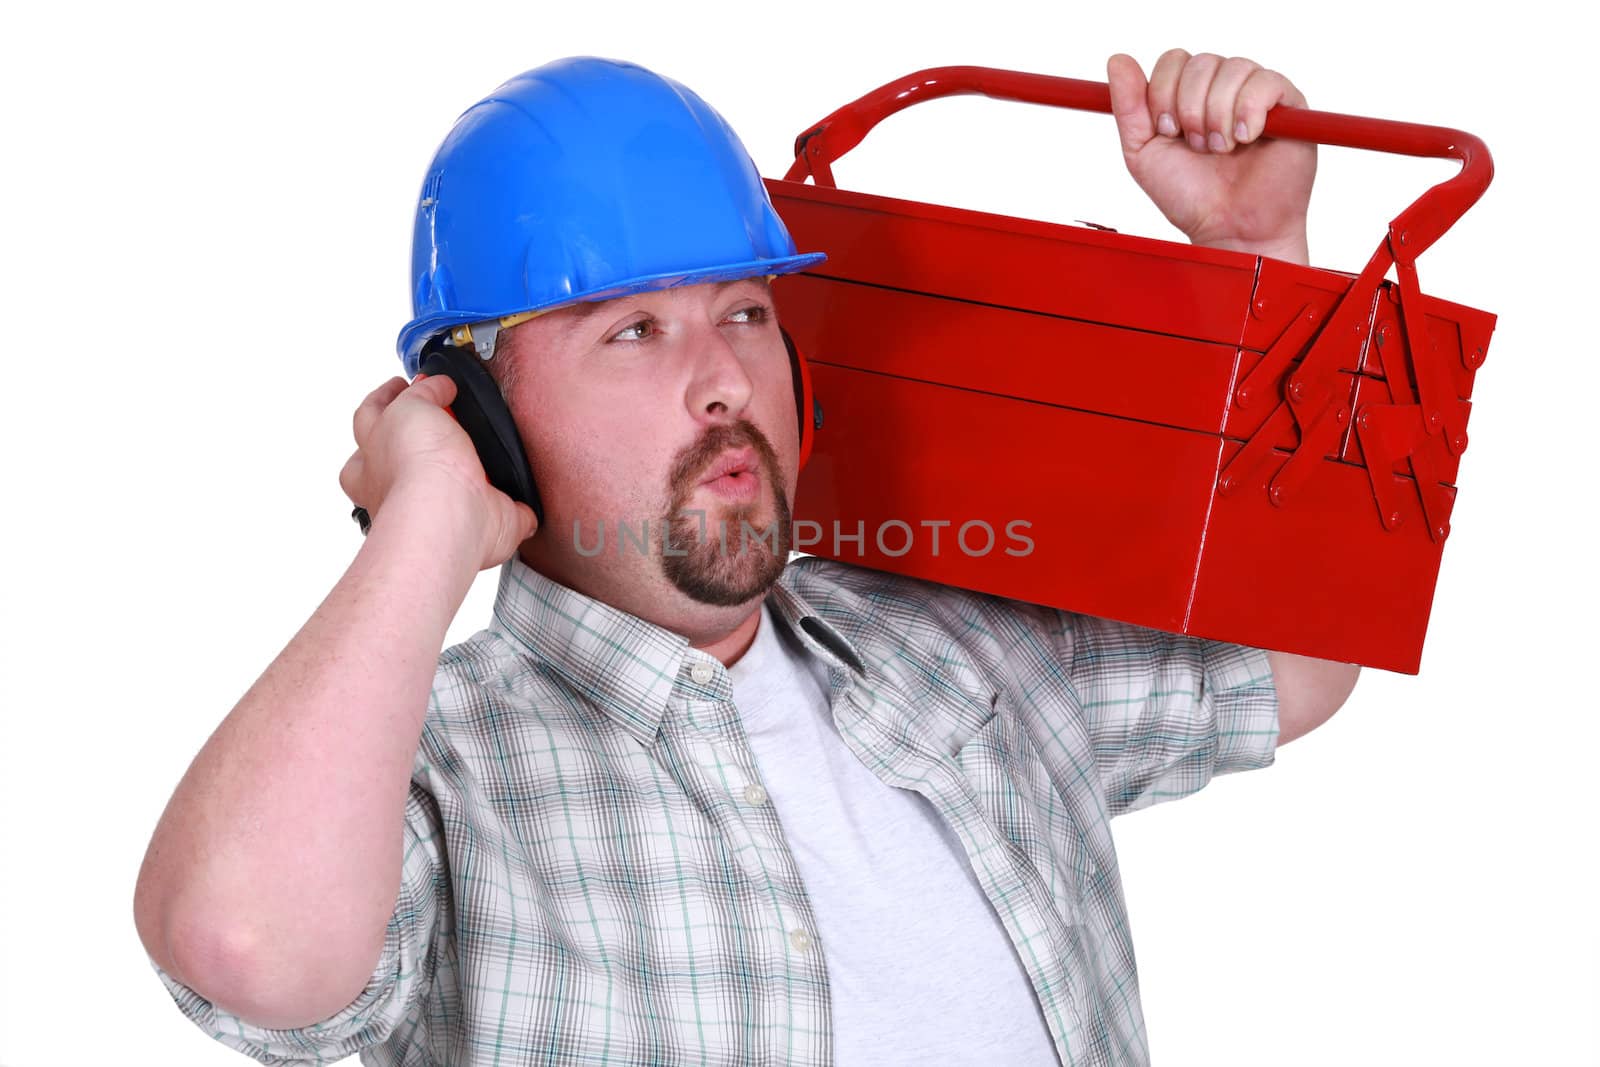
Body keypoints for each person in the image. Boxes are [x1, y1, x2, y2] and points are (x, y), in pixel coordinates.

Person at [134, 48, 1359, 1067]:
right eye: (634, 330)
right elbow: (248, 946)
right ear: (476, 411)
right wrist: (420, 529)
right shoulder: (443, 777)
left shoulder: (964, 649)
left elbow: (1296, 663)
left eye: (746, 312)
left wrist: (1269, 258)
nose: (722, 380)